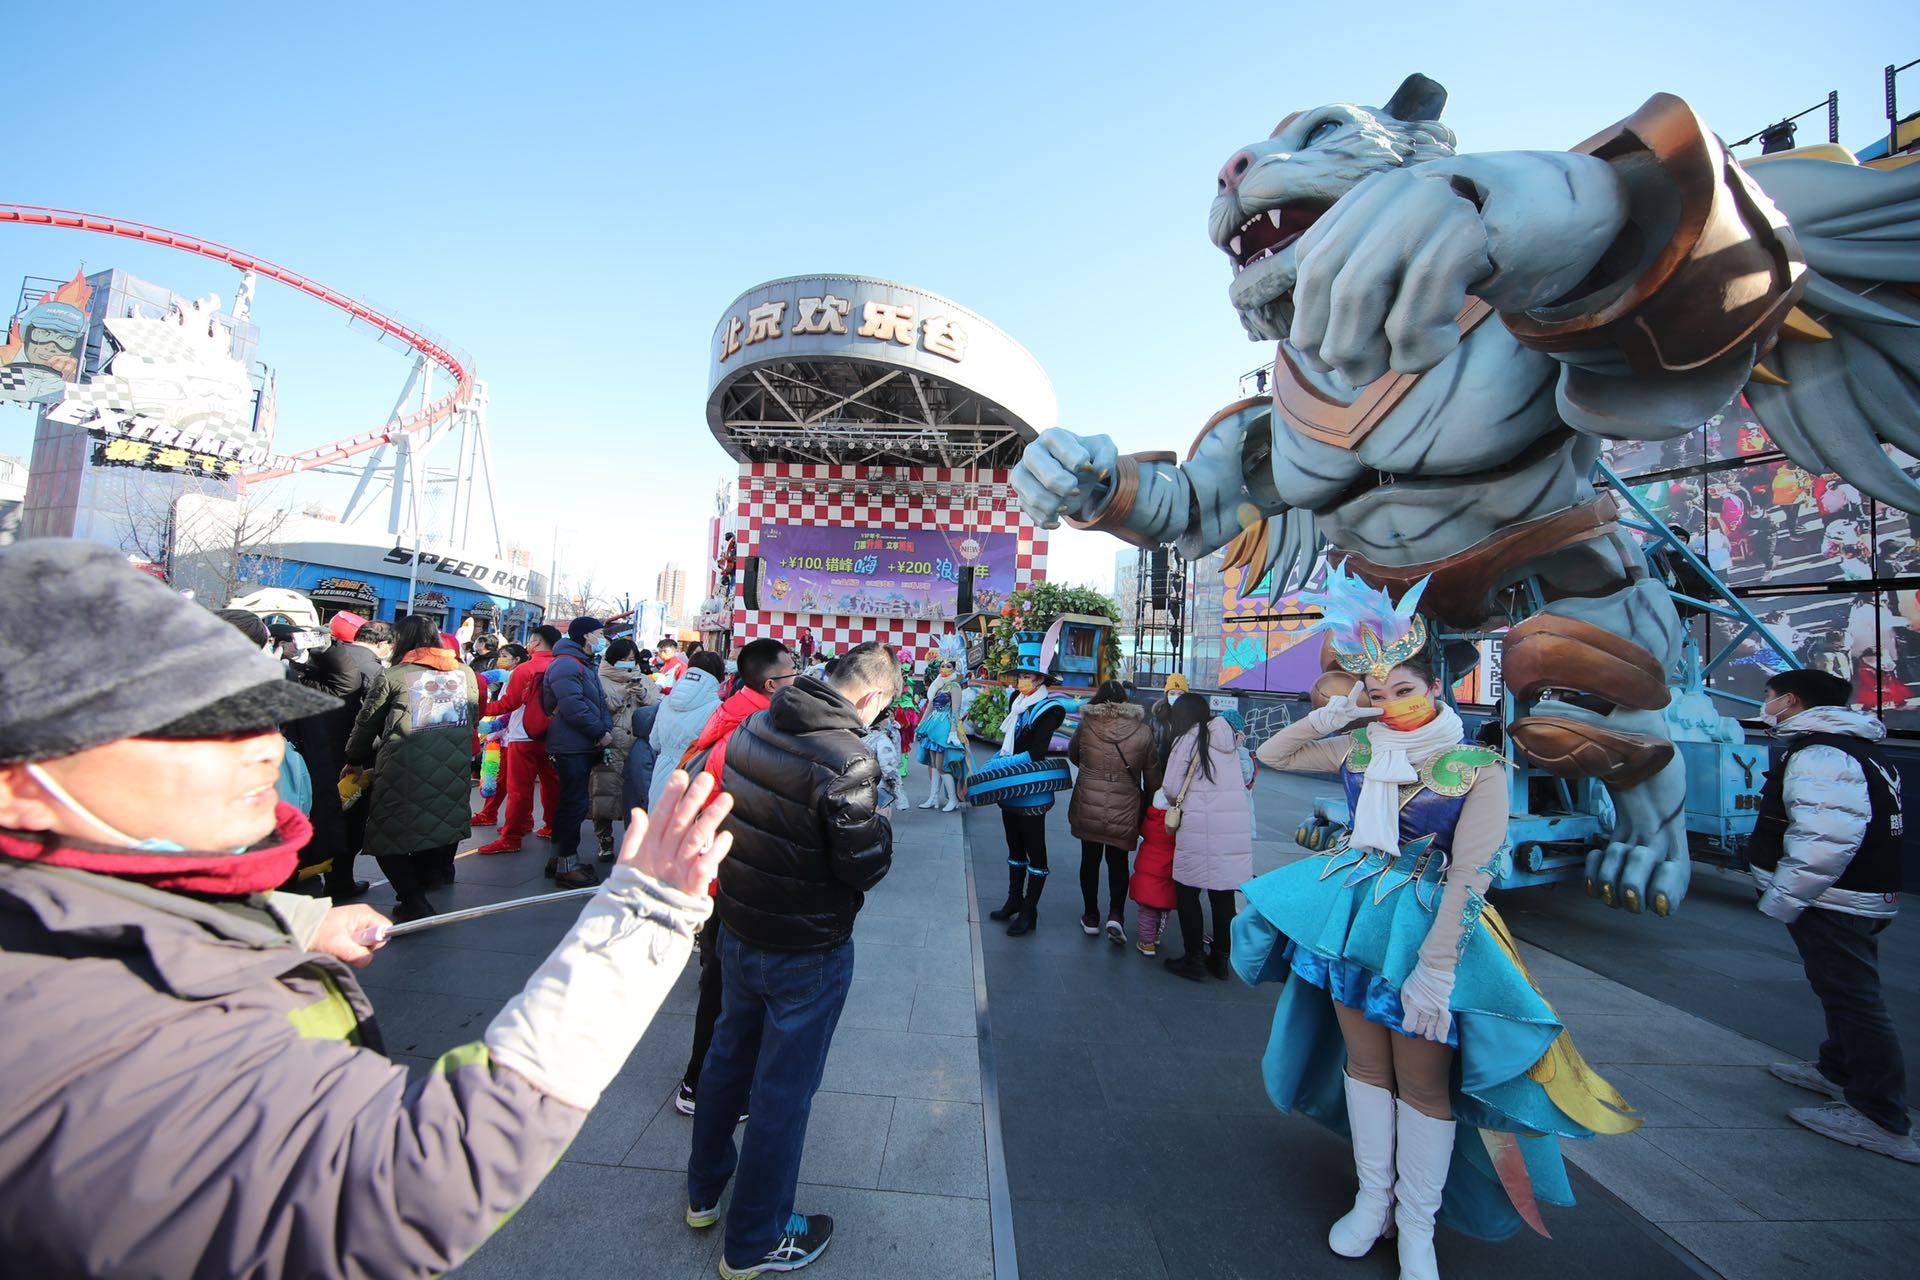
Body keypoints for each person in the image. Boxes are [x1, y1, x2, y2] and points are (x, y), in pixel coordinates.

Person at [0, 539, 737, 1277]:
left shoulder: (84, 912)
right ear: (21, 783)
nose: (260, 749)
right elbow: (412, 1181)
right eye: (197, 727)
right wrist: (643, 918)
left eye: (258, 714)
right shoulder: (78, 1037)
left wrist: (289, 925)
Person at [1242, 568, 1634, 1278]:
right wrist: (1337, 713)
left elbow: (1472, 873)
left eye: (1405, 690)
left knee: (1422, 1083)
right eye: (1379, 692)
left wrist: (1438, 967)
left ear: (1436, 688)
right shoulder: (1361, 746)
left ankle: (1418, 1227)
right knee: (1365, 1065)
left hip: (1430, 933)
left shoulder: (1476, 766)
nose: (1392, 705)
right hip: (1356, 920)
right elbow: (1272, 755)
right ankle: (1373, 1202)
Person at [686, 642, 898, 1278]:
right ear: (868, 699)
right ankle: (756, 1240)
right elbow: (862, 864)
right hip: (805, 947)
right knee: (782, 1092)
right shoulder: (849, 757)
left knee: (727, 1061)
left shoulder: (756, 719)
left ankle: (704, 1193)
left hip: (740, 926)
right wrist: (881, 824)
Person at [1750, 669, 1915, 1162]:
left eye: (1770, 696)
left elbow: (1822, 841)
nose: (1767, 704)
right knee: (1841, 989)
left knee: (1854, 997)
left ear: (1792, 700)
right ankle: (1836, 1068)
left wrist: (1783, 898)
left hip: (1833, 898)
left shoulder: (1822, 753)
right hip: (1854, 895)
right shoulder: (1852, 745)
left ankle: (1880, 1114)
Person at [671, 638, 797, 1119]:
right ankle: (700, 1084)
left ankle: (704, 1079)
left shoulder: (731, 714)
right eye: (792, 673)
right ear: (771, 683)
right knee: (726, 986)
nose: (797, 679)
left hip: (719, 872)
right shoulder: (750, 730)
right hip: (732, 876)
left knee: (722, 982)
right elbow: (745, 809)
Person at [345, 616, 479, 921]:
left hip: (402, 768)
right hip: (453, 764)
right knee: (437, 825)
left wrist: (354, 758)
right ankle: (428, 881)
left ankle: (413, 900)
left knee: (386, 837)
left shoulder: (394, 675)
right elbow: (473, 715)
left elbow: (366, 724)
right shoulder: (465, 673)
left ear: (401, 641)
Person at [973, 633, 1076, 937]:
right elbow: (1008, 746)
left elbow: (1036, 752)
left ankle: (1030, 909)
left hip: (1031, 790)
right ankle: (1013, 900)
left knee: (1035, 849)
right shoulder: (1016, 702)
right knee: (1014, 846)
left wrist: (999, 766)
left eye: (1027, 675)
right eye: (1019, 675)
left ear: (1041, 678)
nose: (1021, 680)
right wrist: (995, 766)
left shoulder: (1050, 709)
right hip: (1009, 787)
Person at [298, 616, 394, 900]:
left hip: (314, 749)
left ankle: (312, 871)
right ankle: (341, 881)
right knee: (350, 820)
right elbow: (372, 719)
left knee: (319, 814)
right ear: (383, 644)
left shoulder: (325, 659)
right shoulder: (375, 671)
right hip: (353, 758)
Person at [1159, 694, 1252, 981]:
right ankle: (1221, 960)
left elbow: (1171, 788)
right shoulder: (1229, 740)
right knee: (1223, 896)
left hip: (1200, 826)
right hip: (1233, 827)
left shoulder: (1187, 739)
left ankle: (1194, 959)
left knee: (1187, 891)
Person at [1066, 679, 1153, 943]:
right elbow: (1152, 775)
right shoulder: (1143, 730)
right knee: (1118, 863)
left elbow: (1074, 756)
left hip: (1088, 801)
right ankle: (1116, 915)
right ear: (1125, 701)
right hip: (1125, 806)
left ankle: (1091, 916)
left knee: (1089, 860)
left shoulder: (1087, 726)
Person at [475, 625, 560, 855]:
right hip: (554, 735)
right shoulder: (564, 666)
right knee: (551, 783)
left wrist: (482, 709)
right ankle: (551, 825)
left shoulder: (526, 669)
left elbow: (509, 704)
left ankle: (512, 836)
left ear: (536, 642)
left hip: (523, 735)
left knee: (519, 788)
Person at [543, 616, 614, 890]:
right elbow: (574, 708)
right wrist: (599, 732)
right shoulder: (566, 664)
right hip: (571, 746)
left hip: (579, 744)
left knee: (572, 804)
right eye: (598, 633)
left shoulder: (583, 664)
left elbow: (594, 702)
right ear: (585, 636)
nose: (602, 638)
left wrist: (601, 729)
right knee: (573, 806)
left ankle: (560, 859)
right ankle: (567, 866)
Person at [595, 637, 661, 859]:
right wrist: (623, 694)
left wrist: (642, 693)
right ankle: (604, 839)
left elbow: (657, 701)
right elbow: (600, 707)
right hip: (609, 743)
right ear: (613, 659)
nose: (628, 663)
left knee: (635, 795)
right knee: (604, 792)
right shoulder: (600, 678)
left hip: (636, 745)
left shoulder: (641, 677)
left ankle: (634, 841)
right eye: (624, 659)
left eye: (632, 659)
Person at [649, 651, 724, 808]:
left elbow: (654, 743)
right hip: (694, 775)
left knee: (657, 826)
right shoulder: (717, 707)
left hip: (661, 774)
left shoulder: (667, 701)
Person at [913, 661, 970, 811]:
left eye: (948, 667)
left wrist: (952, 731)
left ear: (954, 669)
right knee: (933, 765)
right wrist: (920, 723)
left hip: (944, 726)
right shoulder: (938, 685)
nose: (944, 669)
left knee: (941, 765)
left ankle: (953, 799)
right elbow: (930, 706)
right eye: (942, 666)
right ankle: (933, 798)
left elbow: (955, 711)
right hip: (933, 725)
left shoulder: (954, 686)